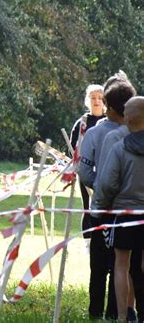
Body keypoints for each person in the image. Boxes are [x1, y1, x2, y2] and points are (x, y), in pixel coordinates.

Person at [78, 71, 136, 321]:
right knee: (120, 263)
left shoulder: (119, 134)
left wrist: (99, 189)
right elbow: (86, 169)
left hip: (105, 208)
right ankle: (114, 312)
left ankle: (99, 311)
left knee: (102, 263)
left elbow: (84, 170)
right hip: (123, 207)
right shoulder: (101, 133)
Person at [93, 96, 144, 321]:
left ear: (126, 119)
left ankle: (123, 316)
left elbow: (106, 184)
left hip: (123, 215)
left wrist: (99, 207)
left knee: (121, 264)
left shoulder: (119, 148)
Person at [70, 84, 106, 238]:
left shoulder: (110, 120)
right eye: (93, 98)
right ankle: (88, 241)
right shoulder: (82, 123)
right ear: (88, 100)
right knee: (87, 205)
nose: (96, 101)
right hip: (86, 170)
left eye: (99, 98)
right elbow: (73, 147)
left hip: (106, 170)